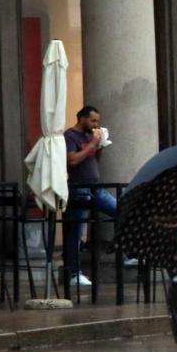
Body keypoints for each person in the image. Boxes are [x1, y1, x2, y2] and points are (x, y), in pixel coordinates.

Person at [62, 106, 119, 286]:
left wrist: (100, 146)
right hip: (78, 189)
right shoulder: (70, 136)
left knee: (122, 210)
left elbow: (92, 160)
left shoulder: (90, 136)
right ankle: (73, 272)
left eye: (98, 121)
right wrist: (93, 145)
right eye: (93, 120)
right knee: (76, 231)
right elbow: (72, 160)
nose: (96, 124)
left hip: (95, 188)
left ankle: (126, 253)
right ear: (82, 119)